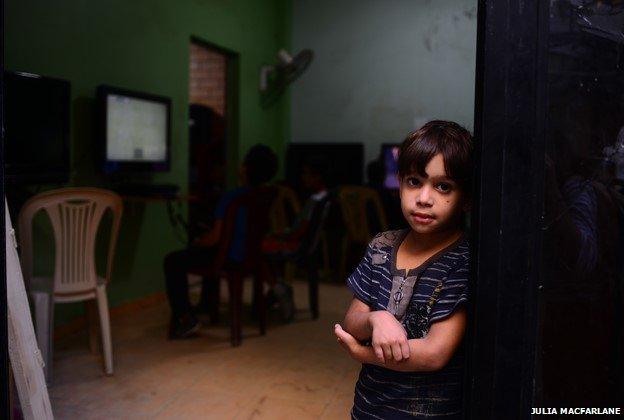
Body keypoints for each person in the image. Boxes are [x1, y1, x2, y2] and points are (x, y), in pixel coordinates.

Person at [333, 120, 473, 419]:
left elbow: (435, 353)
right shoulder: (382, 246)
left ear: (467, 197)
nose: (423, 198)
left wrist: (363, 354)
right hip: (370, 408)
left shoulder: (464, 260)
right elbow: (352, 320)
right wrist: (376, 319)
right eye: (414, 182)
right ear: (399, 183)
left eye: (443, 186)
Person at [163, 144, 278, 339]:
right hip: (252, 256)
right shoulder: (265, 195)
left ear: (246, 169)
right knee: (206, 252)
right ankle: (206, 305)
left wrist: (199, 241)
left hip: (228, 258)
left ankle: (185, 317)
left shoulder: (232, 198)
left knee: (173, 260)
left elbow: (215, 238)